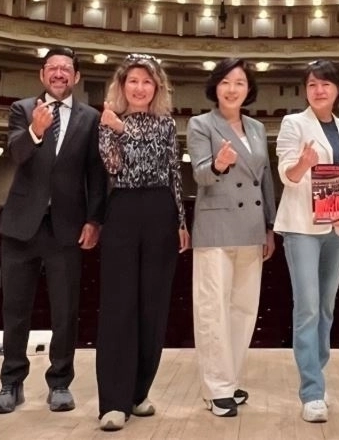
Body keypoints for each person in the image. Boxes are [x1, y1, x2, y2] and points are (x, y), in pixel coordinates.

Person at [0, 46, 107, 415]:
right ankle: (11, 383)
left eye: (66, 69)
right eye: (52, 68)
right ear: (42, 75)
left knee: (65, 311)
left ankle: (60, 383)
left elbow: (96, 173)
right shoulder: (21, 110)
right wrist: (35, 133)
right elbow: (17, 155)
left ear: (76, 78)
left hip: (67, 228)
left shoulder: (90, 117)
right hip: (21, 226)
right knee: (15, 310)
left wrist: (94, 219)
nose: (59, 74)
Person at [96, 54, 190, 432]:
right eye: (132, 81)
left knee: (154, 305)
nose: (139, 88)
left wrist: (182, 221)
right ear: (122, 86)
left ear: (157, 88)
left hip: (161, 208)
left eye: (146, 82)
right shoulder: (107, 122)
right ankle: (113, 401)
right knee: (119, 306)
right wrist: (117, 130)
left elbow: (171, 171)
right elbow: (118, 166)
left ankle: (138, 392)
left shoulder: (166, 124)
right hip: (123, 208)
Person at [274, 59, 339, 424]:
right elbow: (287, 172)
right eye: (312, 85)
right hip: (301, 227)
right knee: (308, 307)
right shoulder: (293, 123)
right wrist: (302, 164)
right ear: (306, 90)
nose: (319, 90)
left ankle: (318, 373)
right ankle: (311, 390)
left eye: (325, 84)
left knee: (326, 308)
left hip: (338, 225)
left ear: (337, 89)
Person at [187, 58, 276, 417]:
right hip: (216, 228)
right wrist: (219, 165)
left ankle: (231, 379)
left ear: (248, 89)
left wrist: (270, 224)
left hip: (252, 227)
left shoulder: (256, 127)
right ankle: (216, 388)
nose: (232, 88)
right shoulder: (200, 124)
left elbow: (266, 178)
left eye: (239, 82)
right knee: (212, 310)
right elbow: (200, 175)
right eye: (225, 82)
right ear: (215, 87)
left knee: (243, 309)